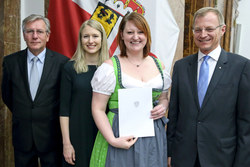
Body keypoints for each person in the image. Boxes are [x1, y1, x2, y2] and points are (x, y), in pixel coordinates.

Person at [167, 7, 250, 167]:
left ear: (222, 29)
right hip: (184, 157)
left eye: (209, 29)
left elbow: (245, 123)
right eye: (198, 29)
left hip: (222, 158)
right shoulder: (181, 66)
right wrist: (169, 152)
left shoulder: (241, 67)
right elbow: (174, 114)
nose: (203, 34)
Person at [89, 12, 172, 167]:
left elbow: (163, 97)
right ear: (121, 35)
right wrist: (113, 140)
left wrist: (163, 107)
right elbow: (98, 108)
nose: (136, 37)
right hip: (119, 134)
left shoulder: (159, 65)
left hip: (152, 136)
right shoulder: (109, 68)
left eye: (140, 32)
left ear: (147, 35)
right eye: (130, 32)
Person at [1, 14, 69, 167]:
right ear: (24, 35)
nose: (35, 36)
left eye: (39, 31)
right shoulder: (10, 62)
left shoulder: (62, 63)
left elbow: (63, 99)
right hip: (22, 136)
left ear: (48, 35)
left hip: (51, 137)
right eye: (30, 31)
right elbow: (7, 96)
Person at [59, 19, 109, 167]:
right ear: (80, 40)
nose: (90, 41)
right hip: (77, 135)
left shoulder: (110, 69)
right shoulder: (70, 68)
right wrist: (66, 143)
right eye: (86, 36)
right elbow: (64, 110)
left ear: (102, 39)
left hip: (104, 135)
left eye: (95, 36)